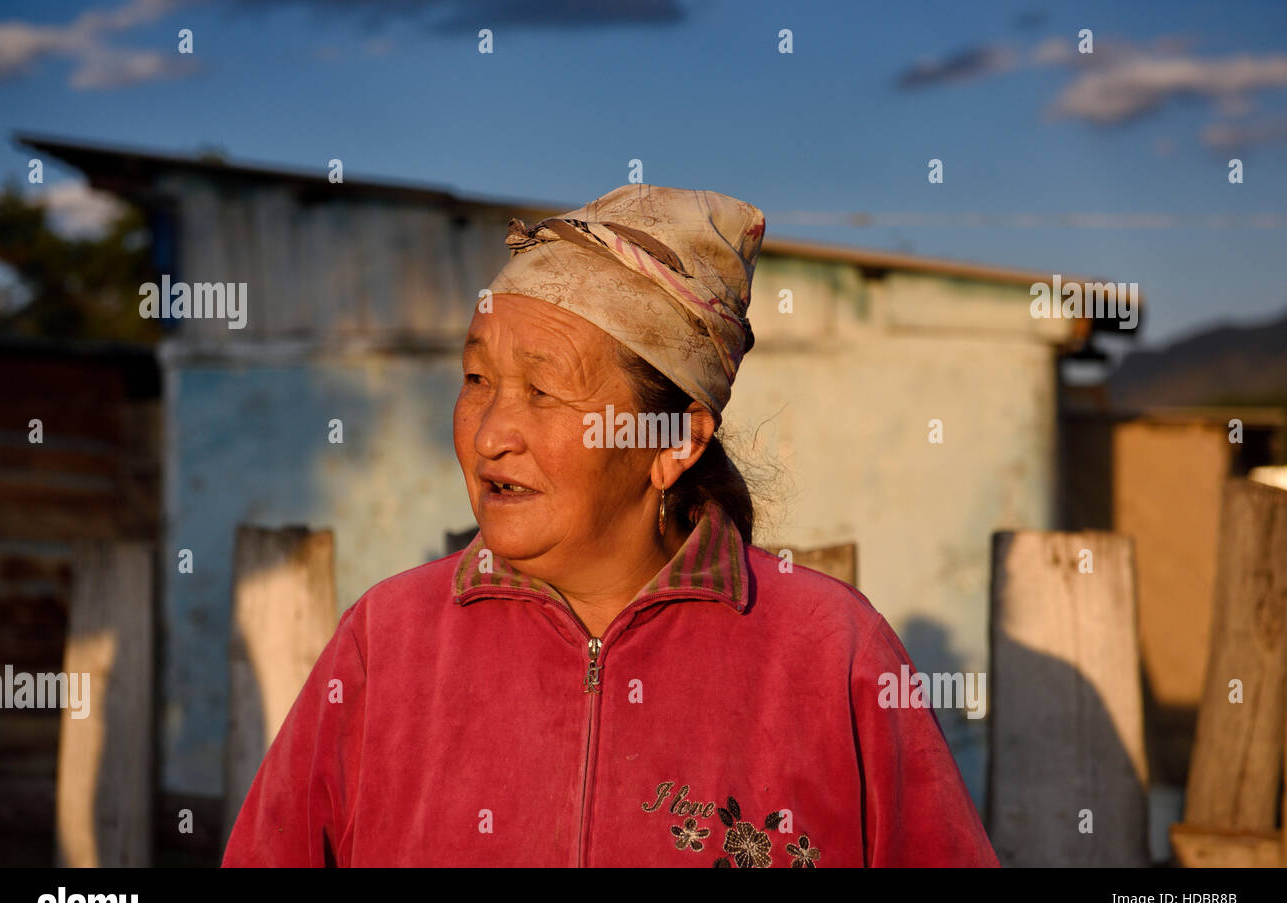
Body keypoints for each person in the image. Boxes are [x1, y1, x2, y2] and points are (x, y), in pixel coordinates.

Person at [222, 184, 999, 867]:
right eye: (476, 378)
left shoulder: (833, 655)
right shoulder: (385, 645)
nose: (491, 431)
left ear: (672, 444)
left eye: (545, 391)